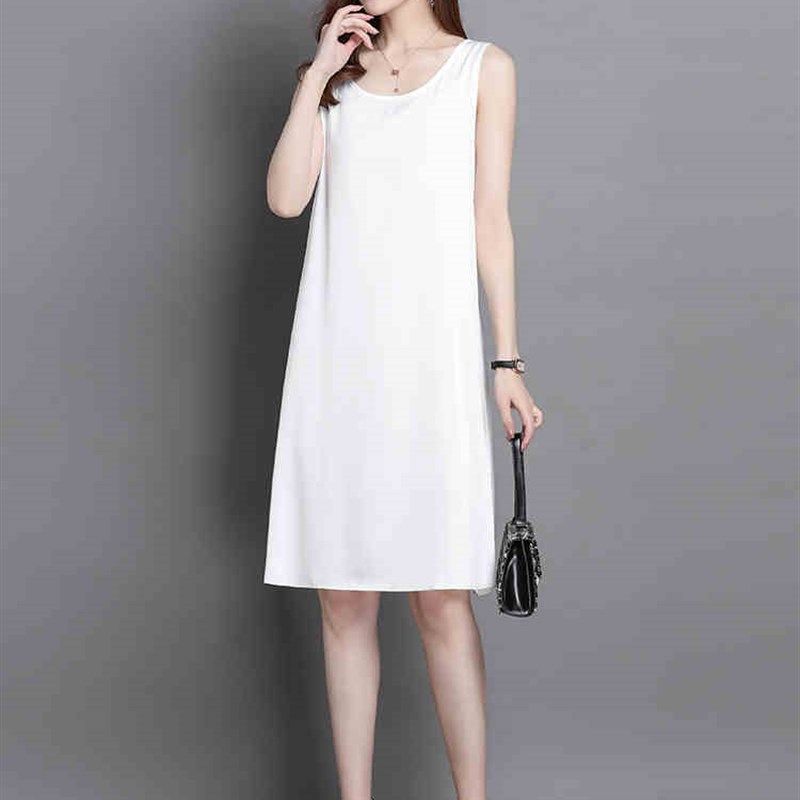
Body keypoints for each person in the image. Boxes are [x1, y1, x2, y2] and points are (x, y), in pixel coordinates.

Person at [263, 1, 544, 797]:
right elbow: (286, 198)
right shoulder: (337, 77)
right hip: (335, 366)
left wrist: (507, 360)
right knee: (343, 599)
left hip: (433, 366)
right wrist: (318, 75)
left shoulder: (483, 69)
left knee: (440, 599)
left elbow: (491, 220)